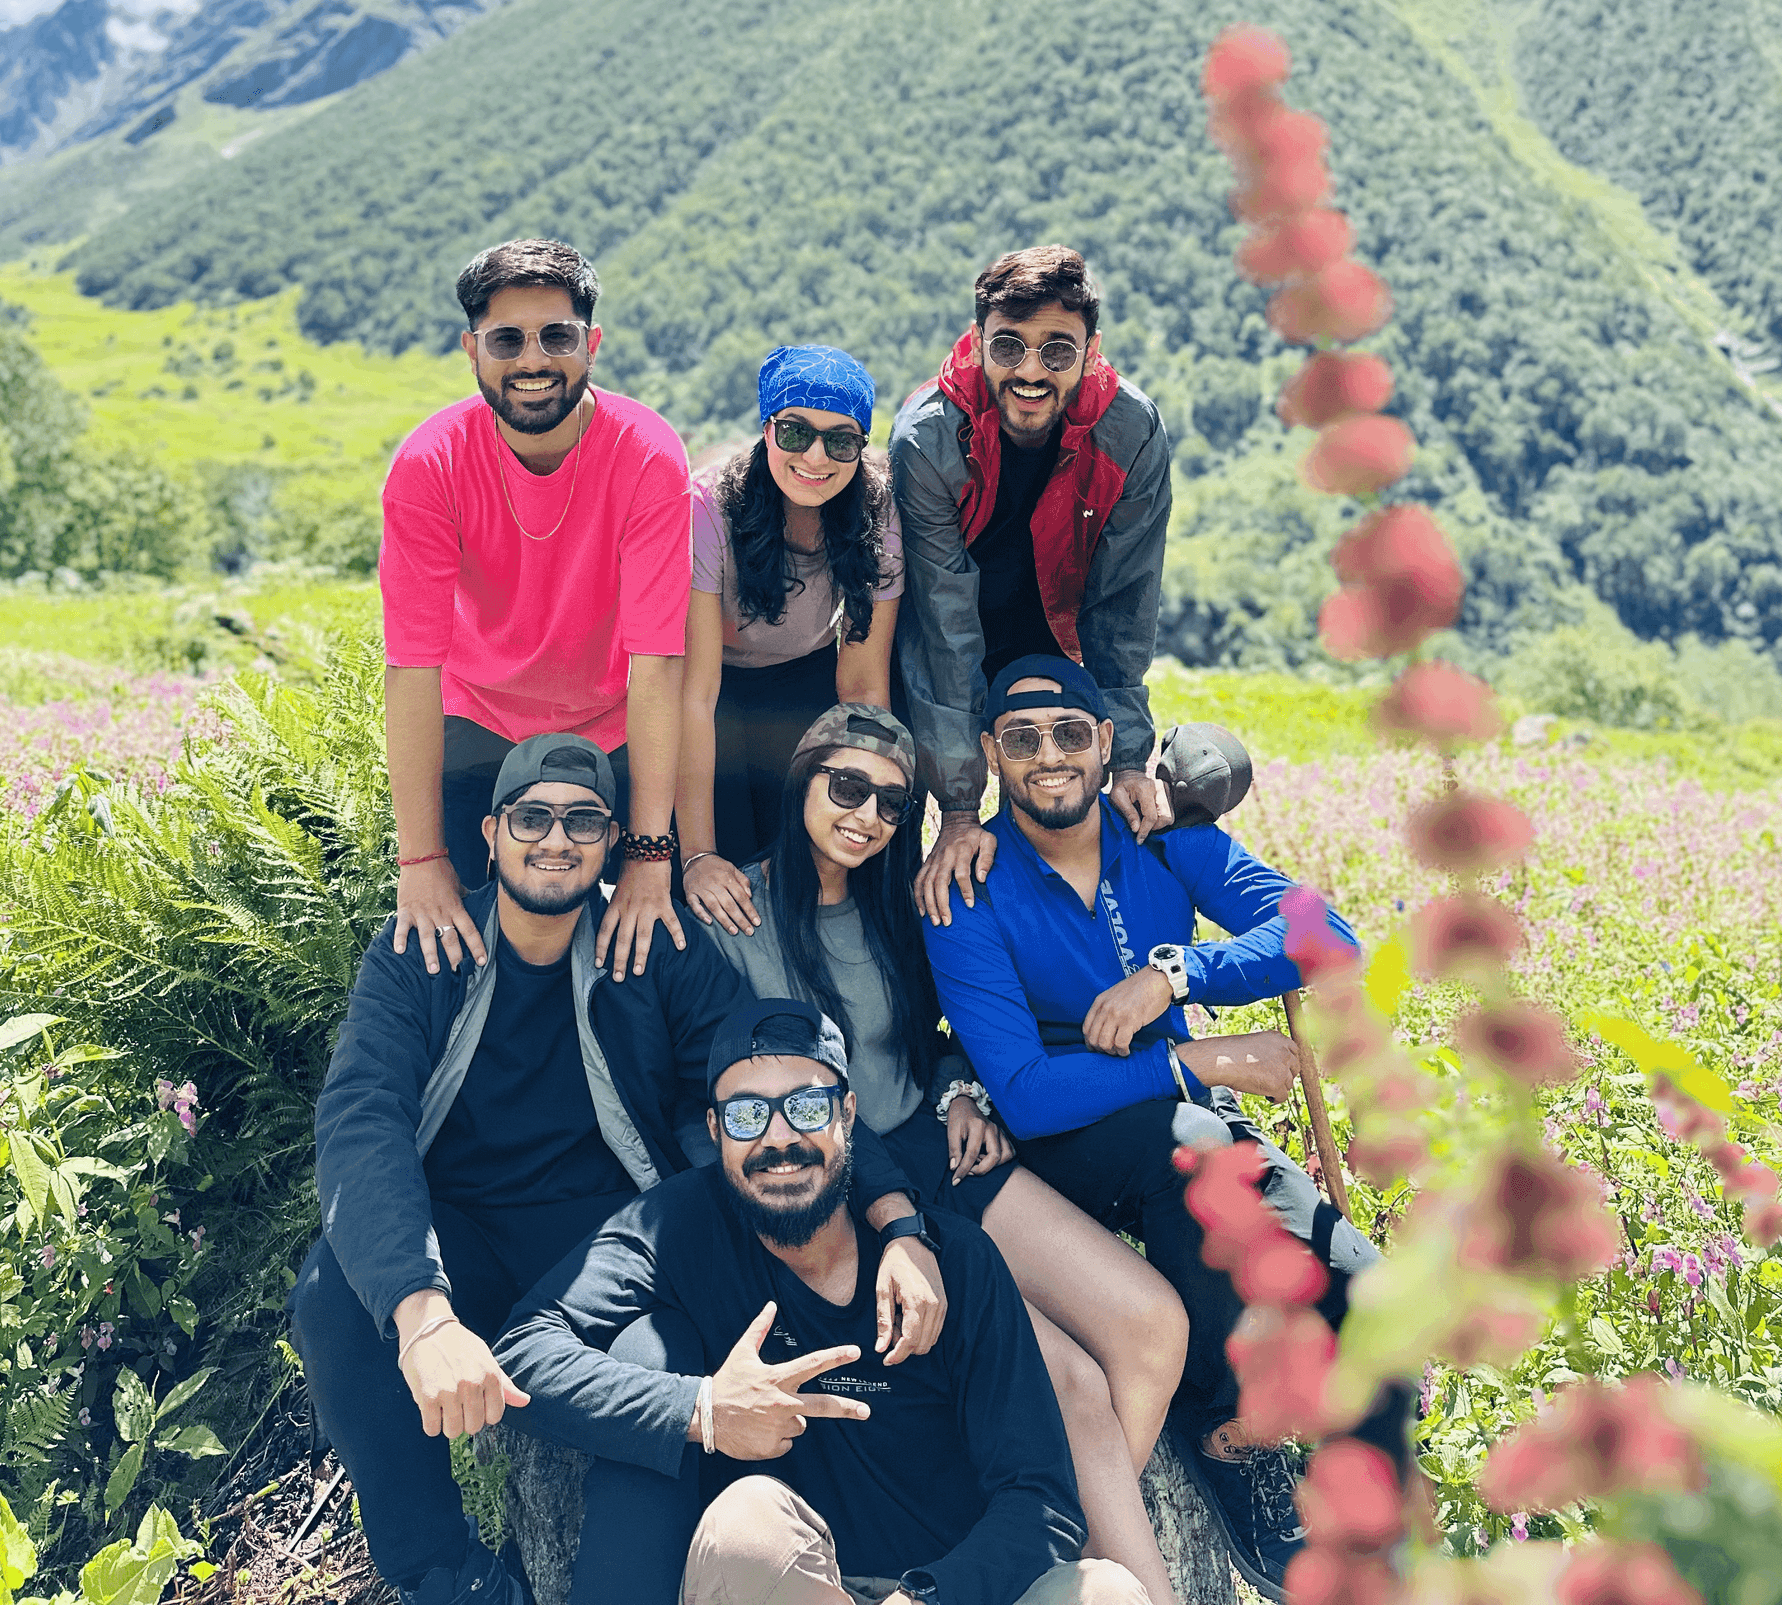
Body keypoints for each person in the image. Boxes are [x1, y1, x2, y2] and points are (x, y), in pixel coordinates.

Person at [291, 733, 945, 1605]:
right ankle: (447, 1578)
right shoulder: (426, 948)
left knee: (666, 1397)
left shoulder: (650, 944)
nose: (555, 839)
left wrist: (897, 1218)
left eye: (583, 821)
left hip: (609, 1249)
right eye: (532, 817)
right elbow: (361, 1115)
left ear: (610, 845)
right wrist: (421, 1315)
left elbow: (777, 1075)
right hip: (466, 1238)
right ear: (490, 834)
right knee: (333, 1293)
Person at [921, 655, 1401, 1605]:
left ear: (1107, 744)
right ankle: (1226, 1430)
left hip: (1181, 1124)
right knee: (1195, 1144)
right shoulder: (966, 886)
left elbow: (1329, 940)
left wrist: (1177, 976)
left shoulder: (1162, 835)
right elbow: (1024, 1094)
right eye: (1021, 740)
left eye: (1069, 734)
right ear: (989, 756)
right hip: (1064, 1141)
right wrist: (1198, 1060)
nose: (1048, 757)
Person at [696, 701, 1196, 1605]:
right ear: (803, 783)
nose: (867, 817)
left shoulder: (903, 898)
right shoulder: (736, 910)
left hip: (945, 1156)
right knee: (1074, 1386)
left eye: (892, 804)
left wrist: (963, 1087)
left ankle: (1028, 1550)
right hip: (856, 1189)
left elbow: (951, 1025)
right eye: (847, 788)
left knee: (1151, 1327)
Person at [501, 996, 1154, 1605]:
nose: (778, 1139)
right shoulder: (678, 1230)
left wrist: (925, 1598)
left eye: (806, 1108)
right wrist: (702, 1408)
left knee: (1105, 1591)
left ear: (847, 1115)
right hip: (792, 1582)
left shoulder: (951, 1261)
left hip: (947, 1591)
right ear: (714, 1128)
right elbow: (523, 1353)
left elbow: (1040, 1500)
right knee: (745, 1520)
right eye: (747, 1114)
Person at [379, 235, 692, 984]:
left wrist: (650, 856)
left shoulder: (647, 454)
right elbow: (411, 672)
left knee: (647, 951)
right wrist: (421, 860)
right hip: (481, 721)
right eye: (506, 339)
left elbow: (657, 664)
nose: (532, 360)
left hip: (615, 722)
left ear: (593, 344)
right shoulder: (429, 466)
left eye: (557, 336)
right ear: (471, 349)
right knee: (453, 945)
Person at [889, 246, 1175, 923]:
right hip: (935, 629)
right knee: (899, 810)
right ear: (977, 339)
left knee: (1061, 790)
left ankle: (1083, 949)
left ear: (1092, 349)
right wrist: (959, 807)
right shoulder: (929, 438)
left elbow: (1123, 604)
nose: (1030, 371)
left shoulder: (1130, 431)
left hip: (1052, 631)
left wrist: (1130, 757)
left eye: (1057, 352)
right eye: (1009, 346)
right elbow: (944, 623)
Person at [678, 343, 903, 915]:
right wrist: (698, 855)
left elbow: (863, 686)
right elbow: (695, 694)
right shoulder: (710, 507)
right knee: (728, 857)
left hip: (807, 675)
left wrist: (864, 800)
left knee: (808, 849)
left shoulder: (877, 512)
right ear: (766, 428)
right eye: (796, 433)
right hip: (718, 687)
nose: (817, 457)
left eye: (842, 440)